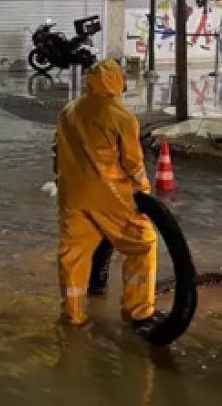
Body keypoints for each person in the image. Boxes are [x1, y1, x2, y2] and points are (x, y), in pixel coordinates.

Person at [53, 59, 159, 334]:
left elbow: (56, 150)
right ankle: (138, 312)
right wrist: (144, 194)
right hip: (111, 196)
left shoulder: (69, 110)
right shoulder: (122, 117)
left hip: (72, 195)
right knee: (143, 244)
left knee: (73, 255)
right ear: (117, 81)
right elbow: (133, 163)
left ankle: (73, 316)